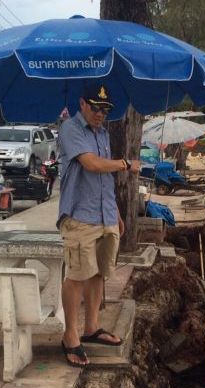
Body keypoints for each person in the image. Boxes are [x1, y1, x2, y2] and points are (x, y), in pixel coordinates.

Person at [57, 83, 140, 367]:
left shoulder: (103, 133)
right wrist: (126, 164)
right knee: (77, 275)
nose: (100, 114)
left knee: (98, 274)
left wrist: (114, 212)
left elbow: (102, 179)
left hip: (104, 214)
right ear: (82, 104)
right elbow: (92, 164)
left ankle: (91, 328)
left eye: (105, 110)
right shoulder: (70, 129)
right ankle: (70, 336)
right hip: (79, 216)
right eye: (95, 108)